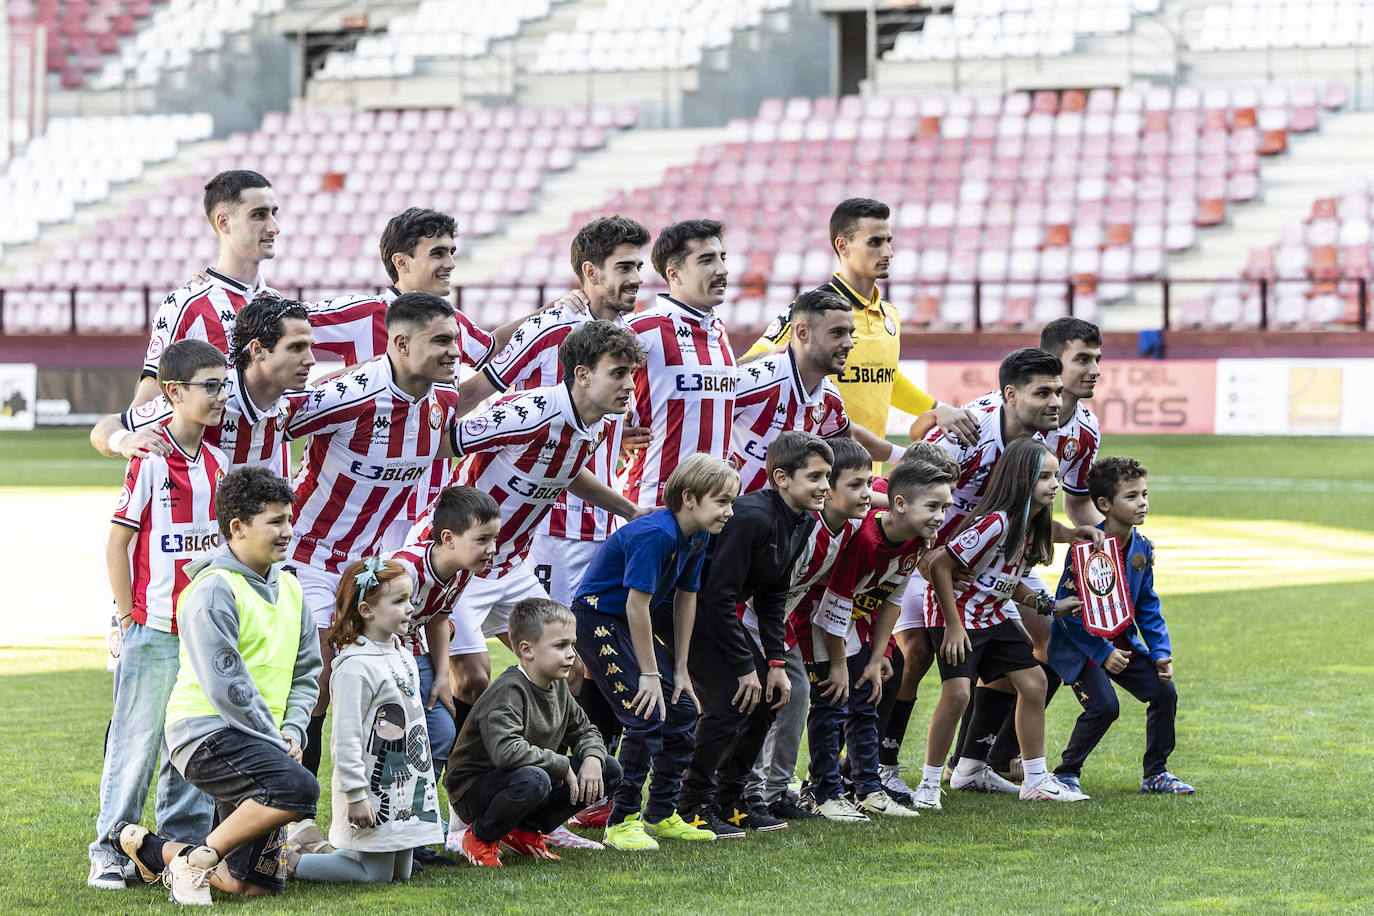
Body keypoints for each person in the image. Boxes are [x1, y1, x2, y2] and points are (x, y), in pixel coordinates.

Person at [423, 320, 646, 760]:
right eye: (618, 374)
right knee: (472, 678)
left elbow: (568, 472)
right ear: (582, 374)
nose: (629, 386)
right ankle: (473, 776)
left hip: (509, 565)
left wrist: (630, 510)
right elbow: (443, 442)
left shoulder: (593, 424)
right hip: (464, 563)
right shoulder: (528, 411)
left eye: (631, 374)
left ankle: (564, 777)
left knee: (572, 669)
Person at [881, 347, 1088, 794]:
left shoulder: (1048, 439)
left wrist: (1067, 534)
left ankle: (974, 763)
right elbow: (902, 486)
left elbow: (1020, 511)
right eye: (1044, 393)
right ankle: (883, 763)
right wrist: (913, 556)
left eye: (1058, 391)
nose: (1056, 402)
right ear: (1011, 395)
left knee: (1042, 645)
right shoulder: (964, 434)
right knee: (914, 654)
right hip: (930, 557)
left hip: (993, 558)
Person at [115, 467, 321, 904]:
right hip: (204, 733)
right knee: (299, 787)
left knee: (256, 886)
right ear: (238, 528)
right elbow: (227, 685)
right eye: (275, 521)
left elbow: (307, 673)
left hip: (262, 740)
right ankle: (195, 864)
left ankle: (155, 851)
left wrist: (293, 731)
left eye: (289, 519)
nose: (288, 531)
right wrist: (274, 741)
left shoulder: (291, 587)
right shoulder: (212, 590)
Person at [284, 291, 466, 779]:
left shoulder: (443, 400)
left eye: (457, 339)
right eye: (442, 340)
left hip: (370, 565)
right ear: (401, 343)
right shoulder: (351, 392)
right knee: (318, 684)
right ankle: (296, 820)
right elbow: (274, 418)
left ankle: (389, 815)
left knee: (382, 683)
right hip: (309, 556)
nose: (455, 350)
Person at [456, 215, 653, 606]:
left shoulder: (627, 337)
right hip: (548, 521)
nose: (636, 278)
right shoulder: (549, 327)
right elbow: (476, 393)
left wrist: (617, 435)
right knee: (552, 650)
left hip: (602, 517)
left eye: (638, 267)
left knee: (583, 650)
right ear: (590, 272)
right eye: (624, 267)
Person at [88, 340, 226, 890]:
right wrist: (127, 619)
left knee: (190, 741)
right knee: (137, 741)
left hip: (200, 633)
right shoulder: (148, 458)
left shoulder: (216, 463)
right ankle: (109, 848)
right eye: (210, 387)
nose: (221, 397)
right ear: (173, 393)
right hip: (152, 627)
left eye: (223, 386)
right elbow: (116, 544)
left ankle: (175, 854)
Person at [573, 454, 739, 850]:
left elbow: (686, 599)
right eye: (722, 501)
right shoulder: (657, 534)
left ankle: (662, 814)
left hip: (628, 621)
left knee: (681, 707)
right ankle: (622, 820)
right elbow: (635, 606)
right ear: (690, 498)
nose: (730, 512)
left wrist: (680, 670)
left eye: (732, 501)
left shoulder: (697, 535)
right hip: (598, 619)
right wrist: (649, 674)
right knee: (644, 712)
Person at [967, 317, 1106, 780]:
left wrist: (1104, 543)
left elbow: (1078, 501)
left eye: (1097, 360)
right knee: (919, 658)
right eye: (1081, 359)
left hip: (1011, 556)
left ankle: (994, 758)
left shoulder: (1084, 429)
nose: (1093, 370)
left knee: (1046, 642)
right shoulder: (980, 421)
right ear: (1054, 362)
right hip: (953, 553)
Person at [915, 438, 1087, 809]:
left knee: (1034, 681)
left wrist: (1048, 606)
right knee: (958, 694)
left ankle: (1036, 780)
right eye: (1044, 477)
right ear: (1020, 480)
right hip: (957, 617)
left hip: (991, 615)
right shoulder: (996, 522)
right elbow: (941, 565)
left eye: (1056, 476)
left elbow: (1006, 580)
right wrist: (953, 626)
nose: (1054, 484)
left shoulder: (1028, 523)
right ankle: (928, 784)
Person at [678, 431, 828, 837]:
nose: (824, 486)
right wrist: (747, 668)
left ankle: (730, 801)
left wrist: (775, 664)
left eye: (827, 477)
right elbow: (716, 597)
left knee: (766, 699)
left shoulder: (803, 521)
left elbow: (773, 594)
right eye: (814, 477)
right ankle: (689, 804)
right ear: (781, 478)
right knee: (731, 703)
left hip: (715, 610)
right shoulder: (752, 517)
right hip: (681, 608)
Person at [742, 197, 979, 453]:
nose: (888, 252)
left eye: (889, 241)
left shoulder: (890, 314)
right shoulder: (812, 311)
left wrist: (936, 409)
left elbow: (888, 379)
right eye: (875, 243)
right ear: (843, 246)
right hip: (818, 475)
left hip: (867, 471)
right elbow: (750, 367)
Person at [804, 452, 957, 821]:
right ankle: (821, 792)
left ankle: (867, 789)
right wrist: (840, 665)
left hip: (851, 624)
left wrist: (878, 656)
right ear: (899, 504)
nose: (940, 516)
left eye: (945, 506)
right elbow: (831, 608)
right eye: (933, 506)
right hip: (813, 621)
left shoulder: (918, 539)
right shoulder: (866, 538)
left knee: (865, 700)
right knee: (831, 702)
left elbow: (892, 598)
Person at [742, 436, 873, 820]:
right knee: (760, 702)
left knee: (796, 695)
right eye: (855, 485)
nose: (867, 494)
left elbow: (885, 495)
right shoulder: (804, 528)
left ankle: (774, 791)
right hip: (751, 621)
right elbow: (762, 593)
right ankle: (743, 790)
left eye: (868, 484)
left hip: (778, 624)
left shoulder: (847, 526)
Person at [291, 557, 443, 883]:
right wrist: (356, 794)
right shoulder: (354, 666)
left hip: (404, 782)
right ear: (366, 610)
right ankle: (287, 862)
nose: (411, 608)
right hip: (373, 788)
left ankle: (316, 849)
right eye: (399, 601)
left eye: (411, 599)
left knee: (399, 874)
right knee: (375, 876)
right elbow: (345, 738)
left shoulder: (402, 653)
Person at [1049, 457, 1193, 796]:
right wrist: (1101, 652)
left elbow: (1147, 604)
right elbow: (1068, 613)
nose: (1142, 502)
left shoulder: (1142, 548)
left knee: (1163, 692)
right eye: (1131, 496)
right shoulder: (1086, 548)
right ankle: (1066, 772)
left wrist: (1160, 651)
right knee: (1104, 707)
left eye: (1144, 494)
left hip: (1121, 642)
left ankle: (1155, 774)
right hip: (1081, 646)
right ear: (1104, 504)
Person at [444, 599, 622, 867]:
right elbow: (506, 752)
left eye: (572, 644)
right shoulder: (508, 692)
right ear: (527, 650)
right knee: (536, 779)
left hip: (520, 778)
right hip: (473, 793)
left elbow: (584, 730)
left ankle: (525, 832)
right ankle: (479, 836)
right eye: (560, 646)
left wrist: (594, 758)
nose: (572, 654)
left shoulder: (557, 686)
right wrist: (562, 765)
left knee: (609, 769)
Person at [92, 297, 316, 474]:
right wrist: (125, 440)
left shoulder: (299, 400)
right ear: (257, 350)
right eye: (296, 348)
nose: (310, 359)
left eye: (309, 347)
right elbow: (104, 428)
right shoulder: (208, 395)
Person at [133, 170, 281, 407]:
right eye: (259, 215)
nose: (274, 227)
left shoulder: (278, 304)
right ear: (224, 222)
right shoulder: (184, 304)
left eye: (273, 214)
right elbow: (147, 402)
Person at [729, 287, 899, 494]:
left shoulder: (829, 396)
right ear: (803, 333)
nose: (849, 344)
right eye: (837, 333)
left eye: (850, 334)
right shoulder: (757, 382)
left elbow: (849, 434)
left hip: (778, 520)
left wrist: (906, 456)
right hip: (729, 518)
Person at [621, 218, 738, 509]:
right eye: (706, 260)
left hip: (713, 510)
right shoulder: (640, 329)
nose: (722, 270)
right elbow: (578, 388)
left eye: (722, 258)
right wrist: (611, 433)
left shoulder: (718, 331)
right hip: (653, 506)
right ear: (675, 274)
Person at [386, 486, 501, 779]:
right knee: (391, 737)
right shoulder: (404, 570)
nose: (493, 549)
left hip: (413, 653)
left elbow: (439, 619)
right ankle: (388, 807)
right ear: (448, 538)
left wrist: (441, 677)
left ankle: (423, 806)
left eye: (494, 539)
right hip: (380, 658)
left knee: (441, 732)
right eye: (482, 540)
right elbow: (364, 622)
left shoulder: (463, 571)